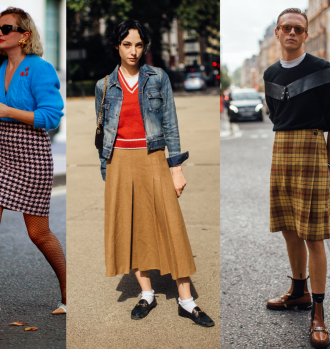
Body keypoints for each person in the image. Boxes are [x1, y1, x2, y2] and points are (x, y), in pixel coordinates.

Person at [94, 19, 214, 326]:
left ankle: (187, 301)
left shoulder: (158, 78)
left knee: (171, 226)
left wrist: (176, 168)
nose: (132, 51)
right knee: (132, 227)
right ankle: (146, 294)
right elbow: (103, 133)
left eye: (138, 44)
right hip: (119, 160)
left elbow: (171, 124)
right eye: (126, 45)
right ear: (117, 47)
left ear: (144, 46)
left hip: (154, 157)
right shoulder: (104, 86)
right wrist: (107, 171)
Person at [0, 7, 66, 328]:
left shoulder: (40, 69)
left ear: (24, 35)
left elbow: (51, 117)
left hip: (32, 153)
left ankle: (69, 290)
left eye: (7, 28)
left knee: (38, 233)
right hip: (1, 152)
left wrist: (9, 109)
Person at [263, 8, 330, 349]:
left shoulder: (321, 70)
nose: (292, 33)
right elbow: (275, 114)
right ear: (278, 33)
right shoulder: (270, 73)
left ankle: (319, 312)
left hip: (312, 148)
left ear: (305, 35)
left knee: (313, 234)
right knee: (288, 227)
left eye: (298, 28)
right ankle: (298, 291)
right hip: (282, 148)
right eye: (286, 28)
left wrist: (326, 163)